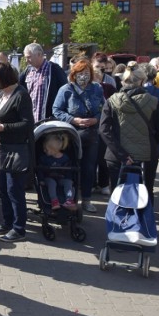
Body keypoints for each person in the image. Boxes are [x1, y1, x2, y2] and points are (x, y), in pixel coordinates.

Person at [99, 62, 159, 204]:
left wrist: (121, 154)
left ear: (123, 81)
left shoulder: (111, 101)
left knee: (117, 193)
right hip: (147, 155)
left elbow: (104, 130)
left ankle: (119, 223)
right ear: (142, 81)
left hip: (116, 155)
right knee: (146, 192)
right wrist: (151, 143)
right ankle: (144, 222)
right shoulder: (153, 101)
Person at [0, 62, 35, 242]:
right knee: (4, 190)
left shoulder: (21, 95)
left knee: (14, 190)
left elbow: (27, 124)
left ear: (3, 77)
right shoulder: (3, 94)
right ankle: (7, 222)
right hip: (1, 149)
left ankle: (19, 228)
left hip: (15, 150)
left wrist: (4, 127)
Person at [53, 59, 105, 213]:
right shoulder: (66, 89)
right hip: (70, 135)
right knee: (70, 167)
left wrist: (96, 118)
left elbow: (103, 108)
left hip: (91, 135)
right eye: (80, 73)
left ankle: (87, 199)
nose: (84, 77)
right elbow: (56, 110)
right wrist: (73, 119)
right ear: (74, 74)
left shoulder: (97, 89)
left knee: (89, 168)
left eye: (87, 73)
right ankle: (69, 198)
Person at [19, 42, 68, 123]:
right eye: (26, 58)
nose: (27, 60)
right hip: (31, 121)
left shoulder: (54, 70)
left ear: (39, 54)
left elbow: (65, 93)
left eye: (29, 57)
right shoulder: (27, 71)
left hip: (50, 120)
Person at [92, 68, 116, 196]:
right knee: (92, 159)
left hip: (104, 126)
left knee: (103, 158)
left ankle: (104, 184)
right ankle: (91, 183)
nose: (95, 80)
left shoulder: (109, 88)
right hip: (92, 127)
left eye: (97, 78)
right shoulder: (87, 89)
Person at [38, 133, 76, 211]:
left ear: (53, 149)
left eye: (46, 149)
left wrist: (70, 179)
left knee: (68, 182)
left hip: (61, 178)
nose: (44, 151)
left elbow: (68, 171)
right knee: (52, 182)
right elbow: (40, 169)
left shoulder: (65, 158)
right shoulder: (44, 158)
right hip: (48, 177)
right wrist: (41, 179)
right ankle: (54, 200)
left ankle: (69, 200)